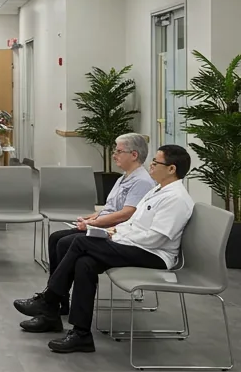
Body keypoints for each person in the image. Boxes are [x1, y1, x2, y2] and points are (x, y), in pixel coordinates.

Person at [12, 144, 194, 354]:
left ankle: (49, 301)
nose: (150, 166)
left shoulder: (176, 198)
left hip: (153, 255)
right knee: (85, 263)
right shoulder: (157, 190)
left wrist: (113, 235)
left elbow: (155, 238)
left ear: (171, 169)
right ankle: (81, 334)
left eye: (155, 162)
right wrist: (115, 231)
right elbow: (134, 223)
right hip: (134, 244)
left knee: (80, 242)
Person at [40, 133, 157, 312]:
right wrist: (90, 218)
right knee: (56, 238)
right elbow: (109, 208)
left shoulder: (141, 181)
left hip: (116, 231)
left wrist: (92, 225)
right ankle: (58, 298)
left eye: (119, 151)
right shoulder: (124, 177)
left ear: (134, 155)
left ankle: (53, 298)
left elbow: (126, 214)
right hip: (104, 224)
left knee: (64, 243)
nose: (114, 155)